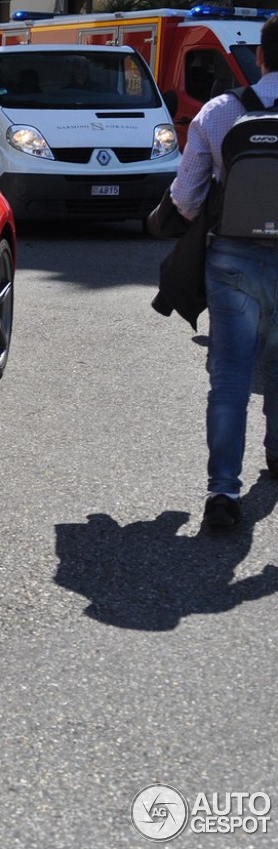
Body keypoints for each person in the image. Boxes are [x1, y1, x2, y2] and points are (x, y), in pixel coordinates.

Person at [168, 14, 278, 530]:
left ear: (261, 57)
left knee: (231, 377)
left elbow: (185, 200)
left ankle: (223, 491)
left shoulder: (221, 111)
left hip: (232, 257)